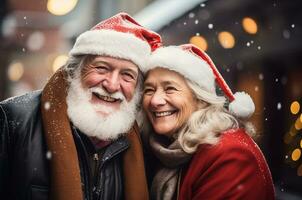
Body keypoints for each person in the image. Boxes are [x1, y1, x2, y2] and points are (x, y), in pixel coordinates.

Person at [0, 13, 161, 200]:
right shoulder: (13, 119)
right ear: (76, 70)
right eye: (102, 68)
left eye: (127, 75)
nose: (112, 85)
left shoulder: (141, 144)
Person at [141, 44, 275, 200]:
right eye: (149, 90)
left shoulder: (230, 155)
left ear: (200, 100)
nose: (155, 101)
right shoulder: (162, 149)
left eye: (170, 88)